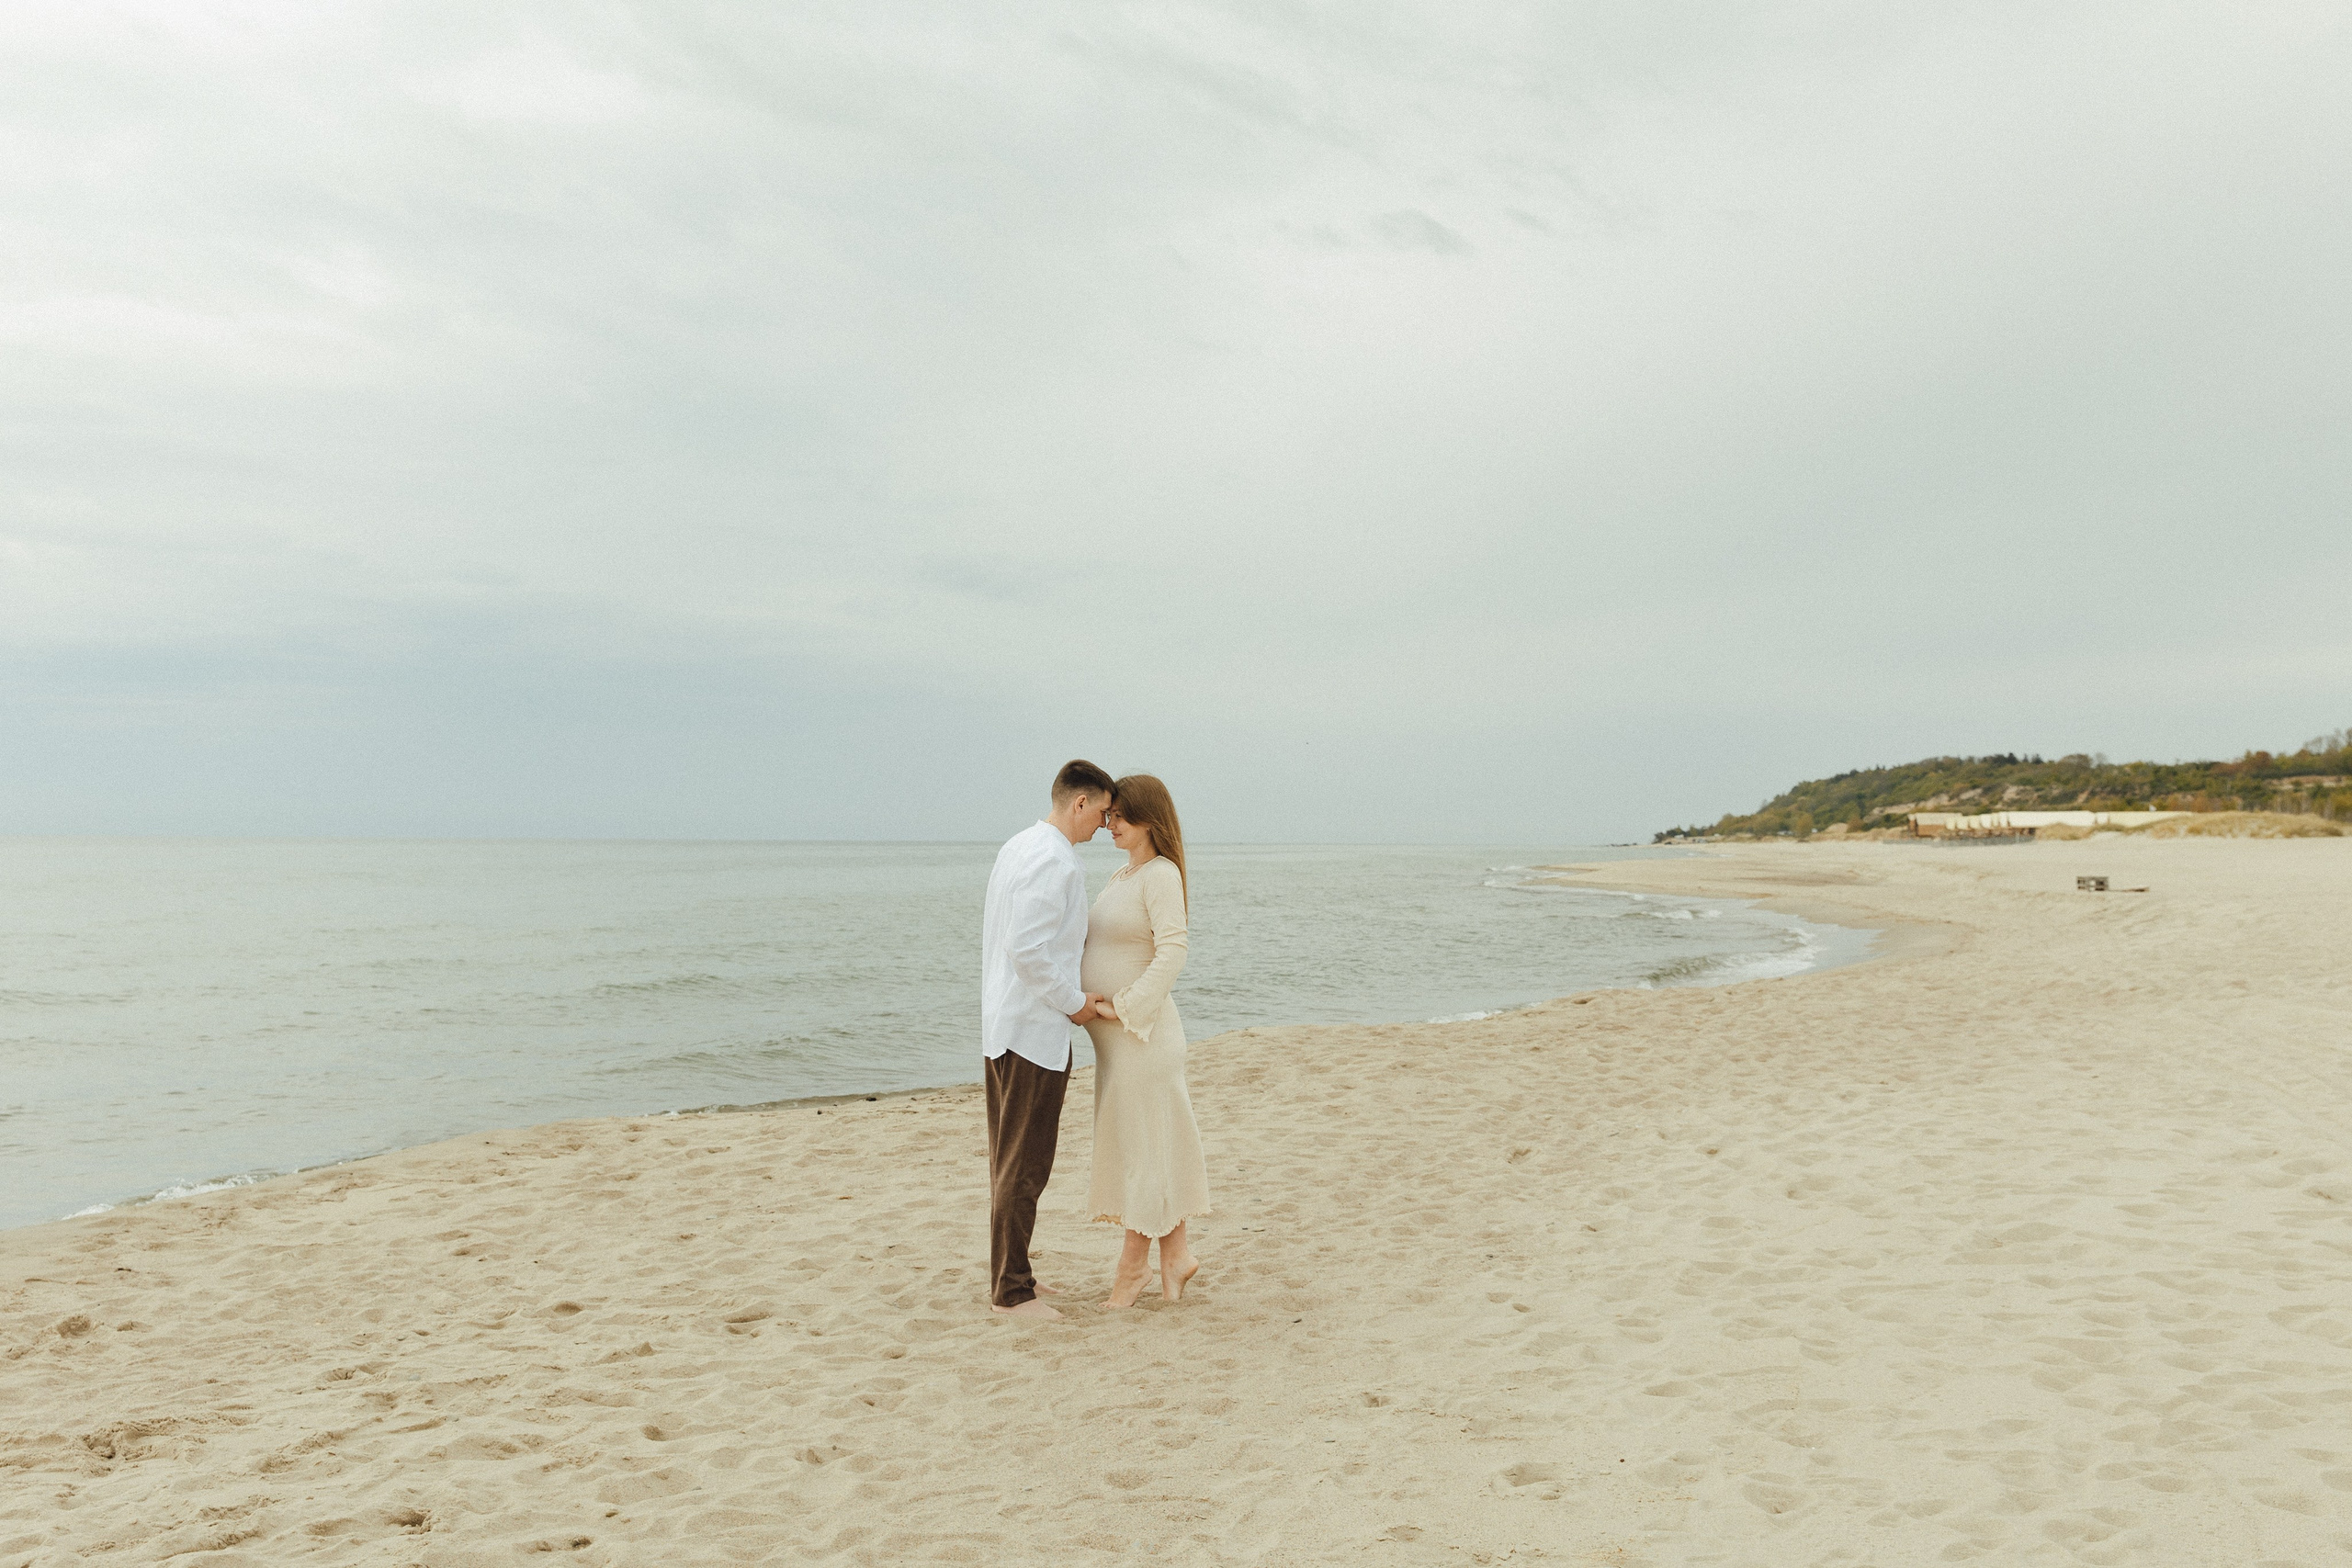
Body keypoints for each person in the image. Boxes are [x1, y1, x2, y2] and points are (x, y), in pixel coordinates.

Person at [978, 759, 1114, 1321]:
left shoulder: (1020, 846)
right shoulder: (1056, 863)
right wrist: (1076, 1004)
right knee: (1024, 1164)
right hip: (1031, 1032)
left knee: (1011, 1159)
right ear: (1079, 802)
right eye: (1102, 813)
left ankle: (1018, 1276)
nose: (1105, 827)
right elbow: (1028, 949)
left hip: (1005, 1025)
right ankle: (1011, 1292)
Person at [1083, 773, 1211, 1307]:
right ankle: (1176, 1257)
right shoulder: (1121, 875)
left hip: (1144, 1039)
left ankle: (1132, 1269)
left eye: (1120, 816)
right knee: (1150, 1148)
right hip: (1119, 1046)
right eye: (1109, 815)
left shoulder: (1159, 875)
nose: (1110, 824)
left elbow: (1173, 952)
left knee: (1143, 1152)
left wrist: (1123, 1007)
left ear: (1149, 820)